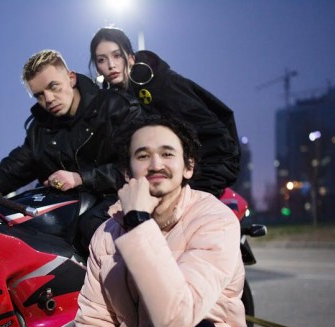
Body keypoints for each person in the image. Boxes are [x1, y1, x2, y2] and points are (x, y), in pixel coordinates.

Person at [26, 115, 248, 327]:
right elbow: (96, 321)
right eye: (143, 155)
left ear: (188, 167)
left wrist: (138, 222)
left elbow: (177, 314)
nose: (156, 164)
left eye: (167, 153)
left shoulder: (214, 219)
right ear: (127, 172)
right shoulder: (106, 235)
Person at [0, 49, 143, 252]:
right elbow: (13, 168)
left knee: (92, 226)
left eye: (53, 87)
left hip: (124, 197)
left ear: (71, 78)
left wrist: (80, 178)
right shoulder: (40, 131)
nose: (48, 99)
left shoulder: (116, 107)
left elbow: (139, 166)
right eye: (39, 95)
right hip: (75, 210)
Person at [89, 26, 240, 198]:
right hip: (160, 181)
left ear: (131, 58)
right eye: (102, 60)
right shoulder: (114, 100)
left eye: (117, 56)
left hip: (203, 175)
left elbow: (218, 141)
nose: (111, 65)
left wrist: (193, 189)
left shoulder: (163, 84)